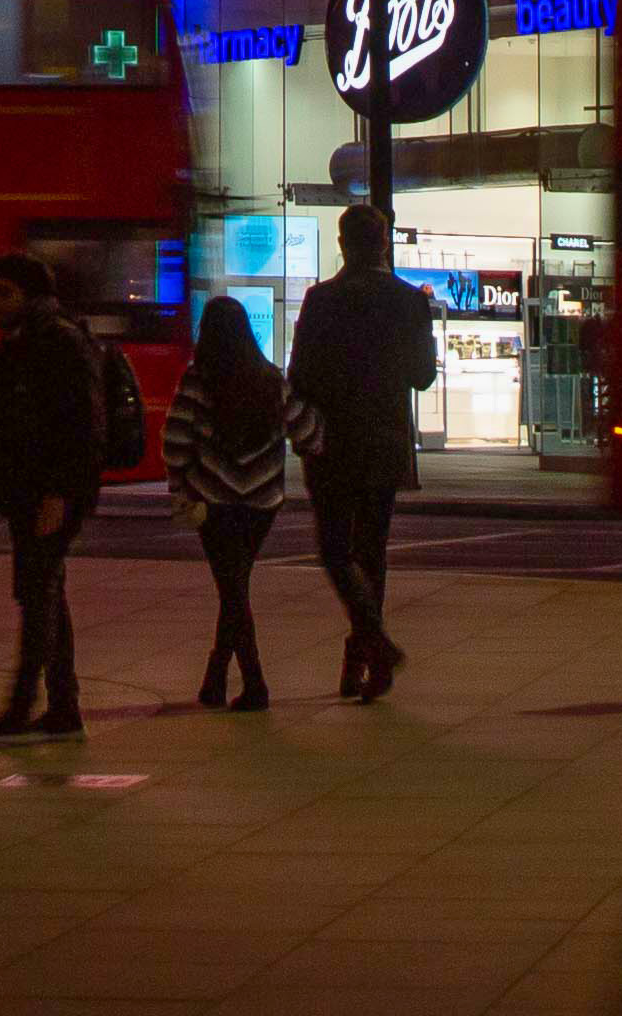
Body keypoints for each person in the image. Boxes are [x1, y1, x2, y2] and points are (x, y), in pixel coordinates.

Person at [284, 203, 436, 701]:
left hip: (333, 443)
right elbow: (422, 376)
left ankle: (373, 646)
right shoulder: (409, 301)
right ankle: (367, 659)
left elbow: (300, 376)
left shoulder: (320, 300)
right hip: (386, 440)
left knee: (333, 549)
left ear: (342, 244)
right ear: (385, 244)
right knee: (372, 551)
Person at [0, 252, 107, 738]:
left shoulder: (58, 342)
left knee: (37, 594)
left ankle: (24, 706)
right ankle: (62, 706)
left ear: (31, 295)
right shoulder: (21, 342)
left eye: (5, 293)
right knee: (44, 592)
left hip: (50, 492)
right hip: (27, 489)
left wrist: (59, 492)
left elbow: (81, 426)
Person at [170, 293, 311, 712]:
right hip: (263, 502)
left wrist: (180, 485)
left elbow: (177, 440)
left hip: (213, 501)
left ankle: (252, 683)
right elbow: (305, 430)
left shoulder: (199, 379)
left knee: (232, 590)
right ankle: (217, 680)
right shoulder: (269, 377)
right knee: (235, 587)